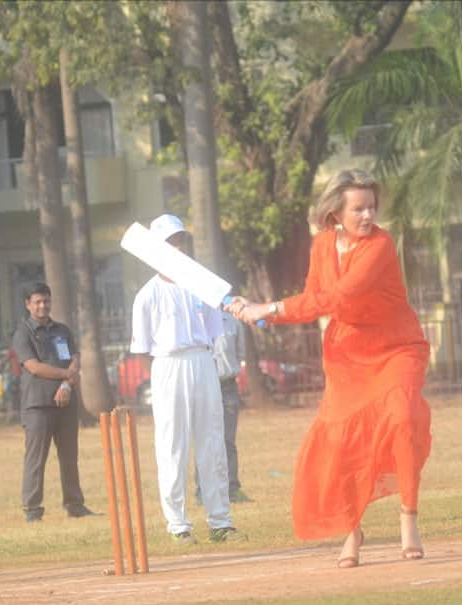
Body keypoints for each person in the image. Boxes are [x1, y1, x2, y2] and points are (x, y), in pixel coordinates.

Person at [228, 169, 432, 568]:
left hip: (396, 348)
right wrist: (256, 312)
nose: (368, 215)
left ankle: (409, 517)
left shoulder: (381, 245)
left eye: (372, 207)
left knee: (403, 418)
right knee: (342, 444)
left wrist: (266, 308)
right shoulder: (321, 245)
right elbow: (312, 296)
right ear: (336, 212)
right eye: (359, 208)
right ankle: (351, 529)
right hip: (347, 355)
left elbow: (339, 295)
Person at [130, 213, 245, 545]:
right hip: (168, 365)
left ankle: (220, 521)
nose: (177, 247)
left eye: (180, 241)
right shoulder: (146, 295)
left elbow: (212, 332)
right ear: (155, 249)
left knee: (212, 441)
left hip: (202, 360)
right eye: (170, 243)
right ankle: (178, 524)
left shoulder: (202, 286)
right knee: (172, 445)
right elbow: (143, 347)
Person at [11, 282, 94, 523]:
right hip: (37, 405)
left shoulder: (62, 331)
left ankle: (75, 505)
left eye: (46, 300)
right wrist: (66, 376)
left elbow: (74, 358)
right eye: (37, 301)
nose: (42, 305)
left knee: (69, 456)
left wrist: (68, 384)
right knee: (36, 459)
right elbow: (34, 367)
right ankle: (33, 510)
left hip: (66, 402)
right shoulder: (23, 333)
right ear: (28, 304)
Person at [195, 308, 252, 504]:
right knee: (205, 440)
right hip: (203, 386)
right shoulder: (195, 320)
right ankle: (203, 491)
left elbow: (240, 353)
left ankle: (232, 489)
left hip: (227, 386)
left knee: (228, 440)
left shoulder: (233, 322)